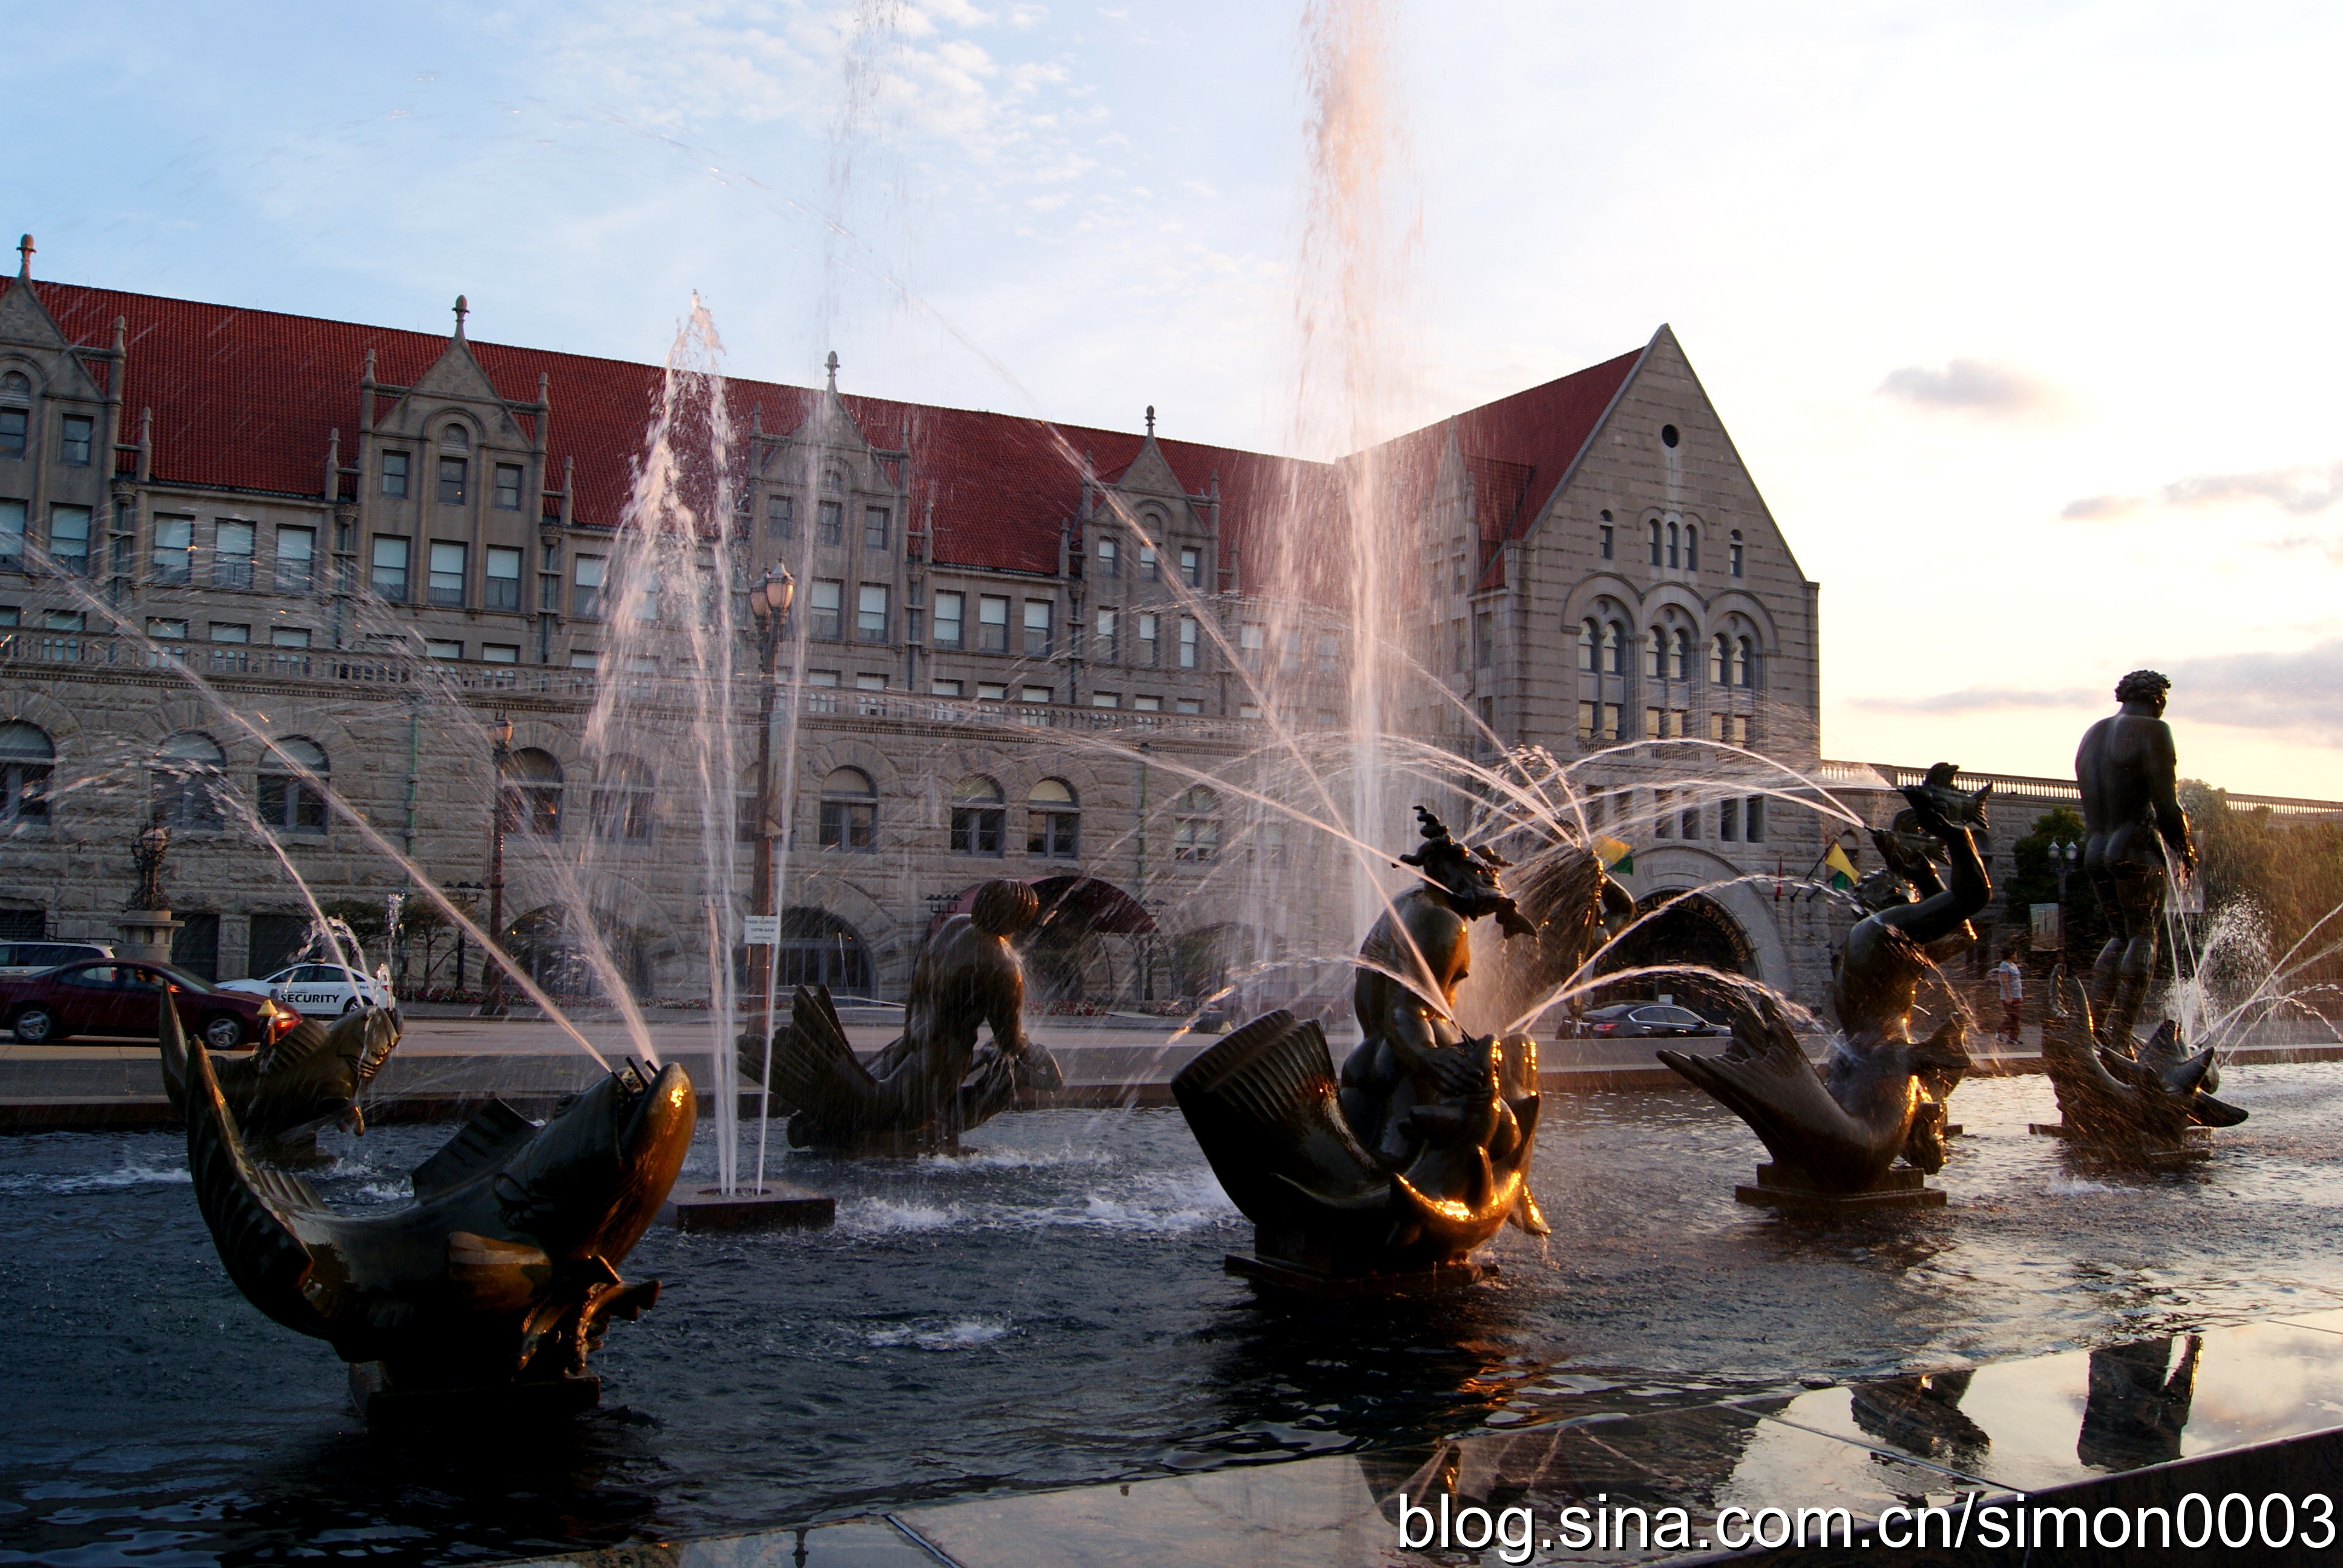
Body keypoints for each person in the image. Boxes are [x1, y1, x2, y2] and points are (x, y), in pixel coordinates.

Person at [2076, 670, 2195, 1050]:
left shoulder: (2093, 734)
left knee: (2118, 936)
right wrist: (2184, 849)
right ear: (2158, 698)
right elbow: (2165, 804)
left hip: (2094, 847)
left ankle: (2093, 1032)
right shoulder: (2154, 731)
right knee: (2143, 937)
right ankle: (2121, 1037)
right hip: (2133, 846)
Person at [1993, 948, 2025, 1047]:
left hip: (2017, 994)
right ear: (2010, 955)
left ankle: (2013, 1038)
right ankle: (2000, 1030)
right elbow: (2005, 982)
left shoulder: (2013, 965)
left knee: (2016, 1017)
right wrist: (2008, 996)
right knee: (2012, 1016)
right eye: (2015, 954)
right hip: (2010, 995)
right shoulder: (2004, 965)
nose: (2016, 956)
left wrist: (2020, 995)